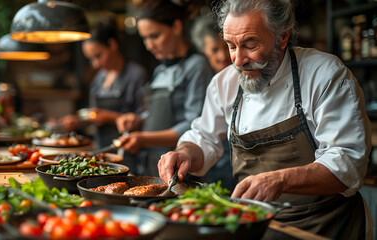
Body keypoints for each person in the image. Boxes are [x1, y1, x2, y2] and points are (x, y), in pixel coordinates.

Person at [157, 0, 372, 239]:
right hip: (257, 225)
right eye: (231, 46)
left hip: (326, 225)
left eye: (250, 45)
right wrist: (186, 152)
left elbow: (348, 162)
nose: (238, 60)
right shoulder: (224, 83)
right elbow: (204, 138)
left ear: (282, 37)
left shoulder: (325, 75)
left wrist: (280, 180)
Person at [116, 0, 214, 176]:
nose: (148, 45)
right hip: (151, 162)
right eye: (144, 38)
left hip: (181, 166)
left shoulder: (197, 66)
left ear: (176, 27)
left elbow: (194, 124)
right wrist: (138, 119)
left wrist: (144, 139)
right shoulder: (160, 70)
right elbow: (155, 114)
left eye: (154, 36)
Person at [60, 17, 148, 154]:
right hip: (101, 149)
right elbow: (93, 115)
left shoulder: (136, 75)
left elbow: (145, 119)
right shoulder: (98, 79)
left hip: (130, 151)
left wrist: (110, 117)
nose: (95, 64)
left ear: (112, 45)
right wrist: (78, 121)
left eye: (98, 56)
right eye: (90, 59)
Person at [190, 14, 235, 190]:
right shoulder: (205, 78)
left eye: (227, 47)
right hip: (211, 161)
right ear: (203, 51)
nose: (223, 55)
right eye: (214, 50)